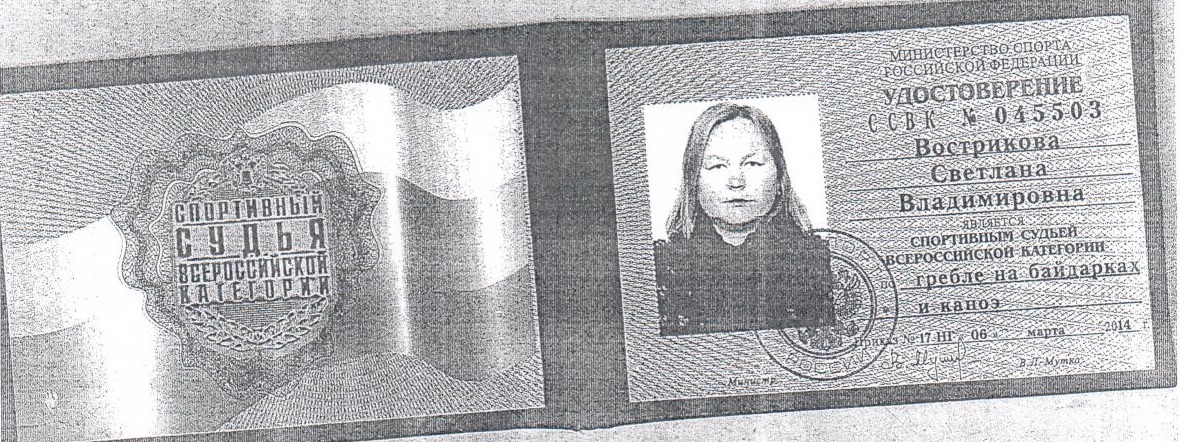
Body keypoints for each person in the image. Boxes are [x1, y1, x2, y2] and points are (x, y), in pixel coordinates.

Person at [655, 102, 835, 336]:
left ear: (779, 177)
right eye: (717, 166)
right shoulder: (661, 269)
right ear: (693, 182)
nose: (736, 181)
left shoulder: (824, 262)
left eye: (752, 163)